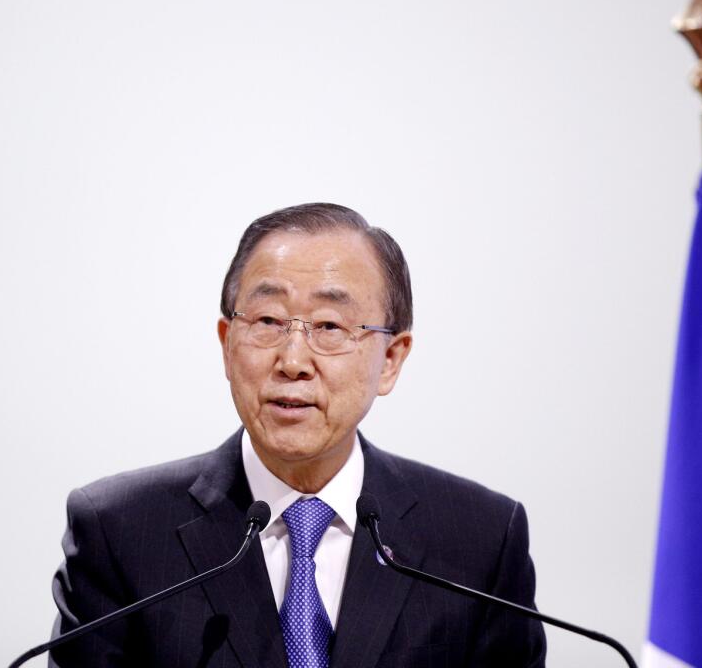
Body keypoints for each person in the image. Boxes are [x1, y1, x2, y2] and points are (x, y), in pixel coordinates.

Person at [49, 203, 546, 667]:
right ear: (226, 344)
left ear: (391, 360)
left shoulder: (480, 543)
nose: (292, 362)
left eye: (330, 326)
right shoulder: (119, 533)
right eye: (267, 320)